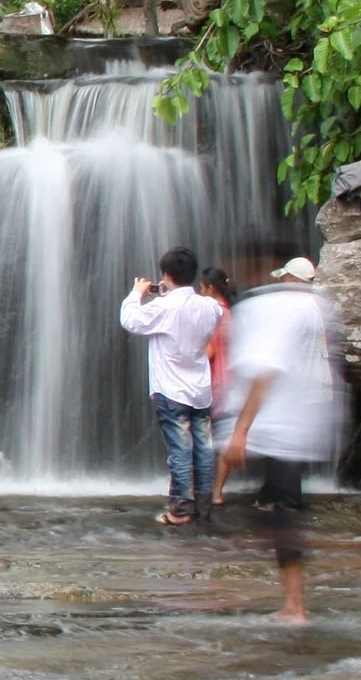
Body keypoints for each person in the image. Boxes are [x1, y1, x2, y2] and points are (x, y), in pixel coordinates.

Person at [217, 231, 347, 625]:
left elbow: (265, 372)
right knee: (279, 511)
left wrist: (240, 432)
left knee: (277, 512)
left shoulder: (269, 308)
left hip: (279, 427)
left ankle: (295, 606)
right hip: (308, 419)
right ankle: (294, 601)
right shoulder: (317, 305)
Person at [120, 246, 225, 526]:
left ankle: (180, 509)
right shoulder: (210, 306)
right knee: (203, 448)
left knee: (180, 449)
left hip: (171, 390)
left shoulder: (162, 307)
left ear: (165, 274)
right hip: (200, 390)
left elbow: (130, 320)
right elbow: (208, 314)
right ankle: (203, 506)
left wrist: (137, 293)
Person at [200, 268, 237, 504]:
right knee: (225, 438)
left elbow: (209, 351)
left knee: (202, 437)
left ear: (210, 289)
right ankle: (217, 492)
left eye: (201, 288)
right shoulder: (230, 314)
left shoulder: (214, 315)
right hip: (231, 382)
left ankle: (204, 490)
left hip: (213, 382)